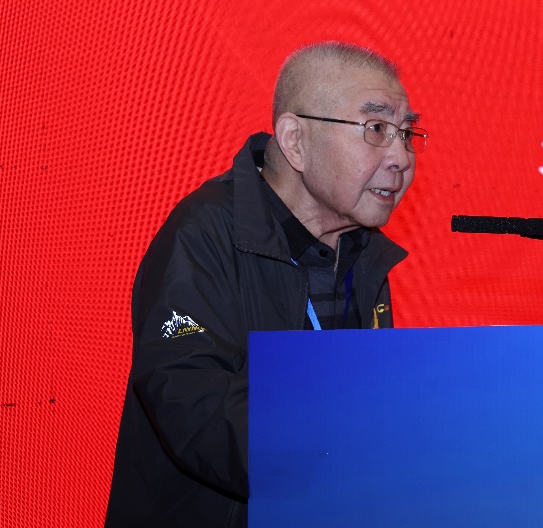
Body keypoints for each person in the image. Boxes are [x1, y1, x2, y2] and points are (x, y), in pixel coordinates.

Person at [105, 42, 422, 528]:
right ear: (295, 141)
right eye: (376, 128)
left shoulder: (363, 252)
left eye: (406, 133)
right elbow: (192, 402)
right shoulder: (206, 232)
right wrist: (338, 461)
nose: (400, 156)